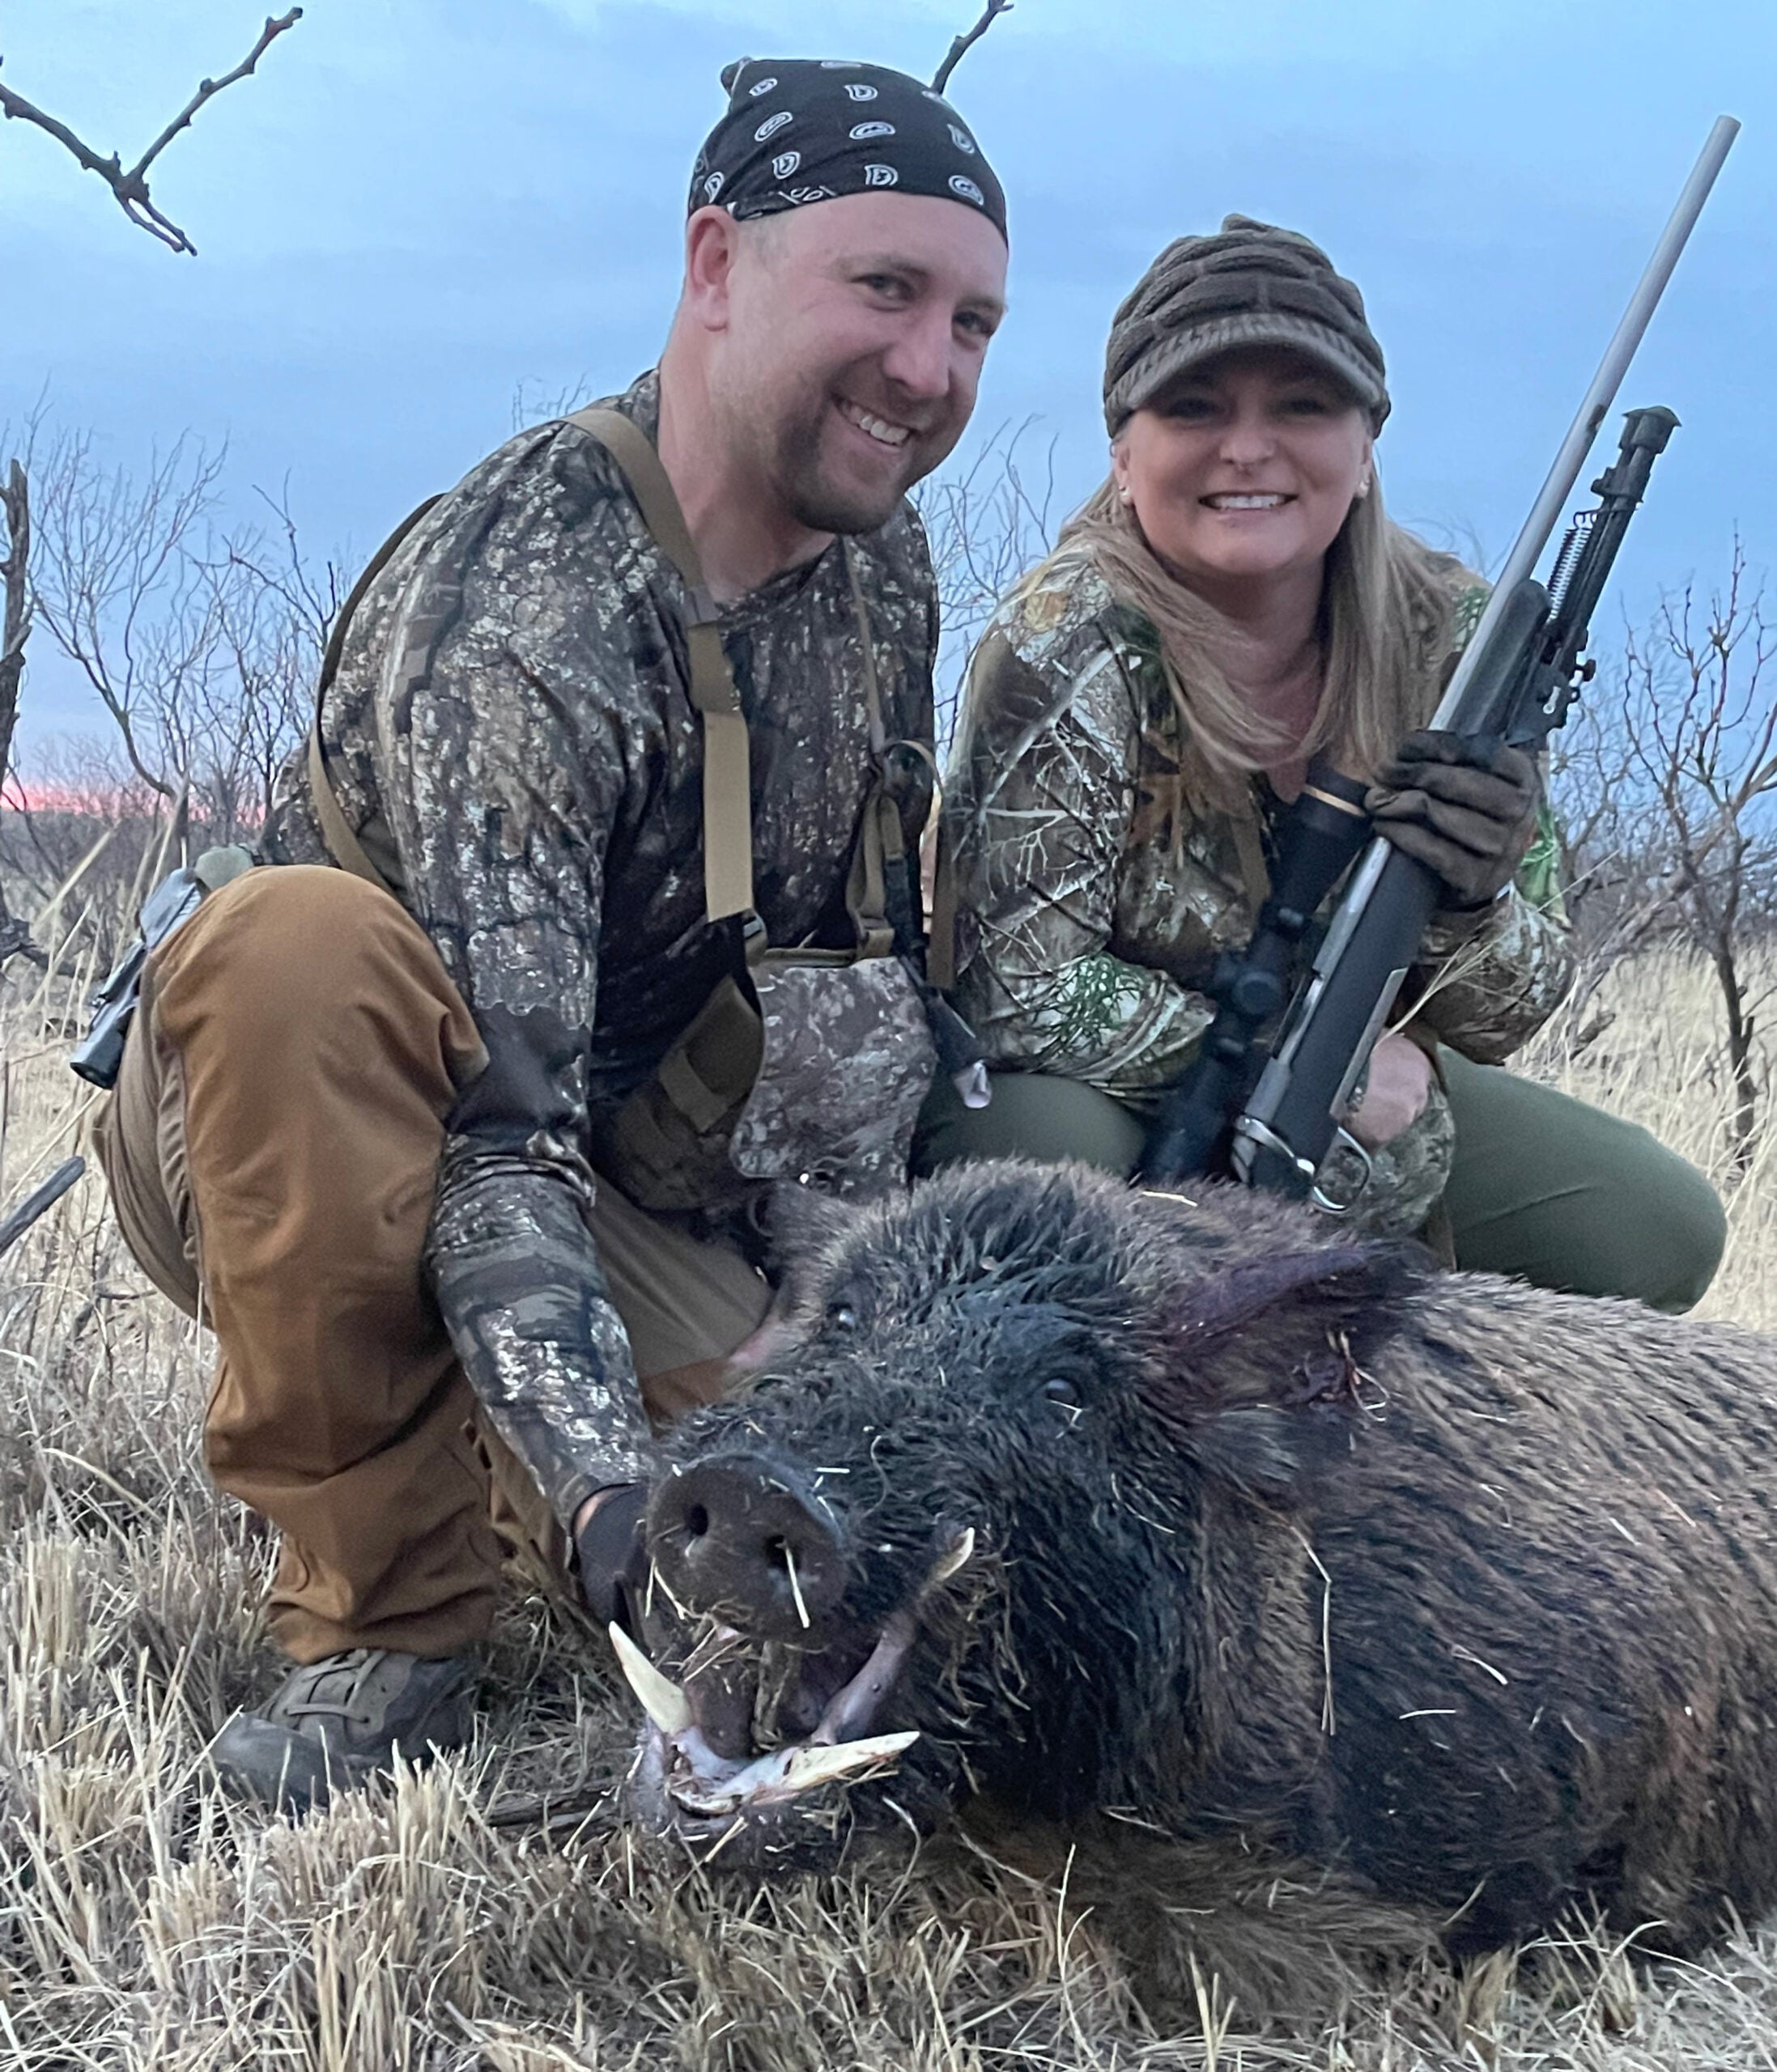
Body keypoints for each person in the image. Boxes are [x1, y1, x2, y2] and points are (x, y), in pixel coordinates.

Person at [90, 57, 1009, 1809]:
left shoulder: (879, 568)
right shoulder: (533, 606)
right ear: (717, 263)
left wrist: (829, 1308)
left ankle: (513, 1445)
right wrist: (605, 1503)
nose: (930, 368)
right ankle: (386, 1622)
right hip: (296, 1126)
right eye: (885, 289)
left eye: (973, 321)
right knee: (299, 955)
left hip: (612, 1155)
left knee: (802, 1504)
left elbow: (846, 995)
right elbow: (495, 1136)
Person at [925, 214, 1724, 1305]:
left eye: (1302, 406)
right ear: (1123, 452)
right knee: (1020, 1143)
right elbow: (1018, 995)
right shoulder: (1066, 640)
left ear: (1366, 448)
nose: (1247, 449)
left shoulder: (1458, 639)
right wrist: (1305, 1064)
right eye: (1195, 408)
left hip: (1372, 1090)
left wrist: (1476, 904)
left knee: (1657, 1231)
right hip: (1116, 1092)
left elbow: (1511, 1010)